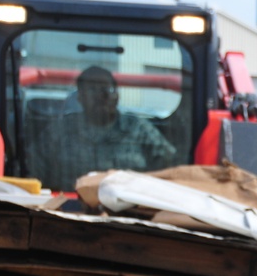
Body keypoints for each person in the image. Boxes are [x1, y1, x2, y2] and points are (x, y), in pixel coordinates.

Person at [35, 65, 176, 191]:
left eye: (107, 89)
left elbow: (170, 168)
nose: (101, 96)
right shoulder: (61, 130)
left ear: (117, 96)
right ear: (80, 97)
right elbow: (33, 170)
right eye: (92, 89)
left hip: (128, 210)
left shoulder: (139, 129)